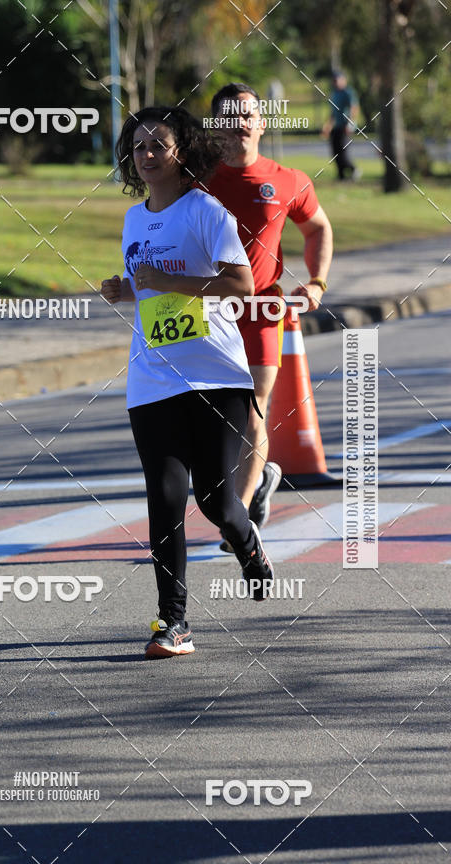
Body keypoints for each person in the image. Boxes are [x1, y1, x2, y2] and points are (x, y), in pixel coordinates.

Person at [100, 106, 274, 659]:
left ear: (183, 153)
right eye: (138, 146)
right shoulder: (134, 219)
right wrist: (123, 291)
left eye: (159, 145)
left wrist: (169, 278)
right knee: (165, 498)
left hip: (215, 375)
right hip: (152, 379)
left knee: (218, 502)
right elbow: (145, 288)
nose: (147, 155)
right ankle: (173, 624)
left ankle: (246, 542)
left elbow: (241, 285)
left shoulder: (205, 211)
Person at [206, 83, 333, 546]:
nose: (239, 123)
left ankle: (236, 521)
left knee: (252, 411)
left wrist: (316, 281)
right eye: (228, 116)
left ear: (261, 123)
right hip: (204, 313)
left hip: (261, 308)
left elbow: (318, 228)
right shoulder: (192, 178)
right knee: (212, 420)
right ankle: (260, 480)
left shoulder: (289, 179)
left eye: (247, 115)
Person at [322, 71, 360, 181]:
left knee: (343, 152)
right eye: (334, 80)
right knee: (335, 152)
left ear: (343, 80)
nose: (335, 82)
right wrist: (328, 126)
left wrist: (350, 124)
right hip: (336, 127)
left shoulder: (348, 92)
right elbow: (333, 112)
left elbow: (354, 108)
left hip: (345, 126)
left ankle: (353, 170)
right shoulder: (334, 94)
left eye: (337, 80)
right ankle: (341, 175)